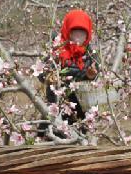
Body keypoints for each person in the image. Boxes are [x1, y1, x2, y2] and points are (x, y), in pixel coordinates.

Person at [37, 9, 99, 139]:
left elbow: (95, 75)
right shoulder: (56, 49)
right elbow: (40, 73)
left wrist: (90, 75)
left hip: (79, 112)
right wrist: (50, 75)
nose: (78, 37)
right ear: (67, 31)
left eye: (82, 33)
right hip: (55, 108)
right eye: (74, 32)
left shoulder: (90, 54)